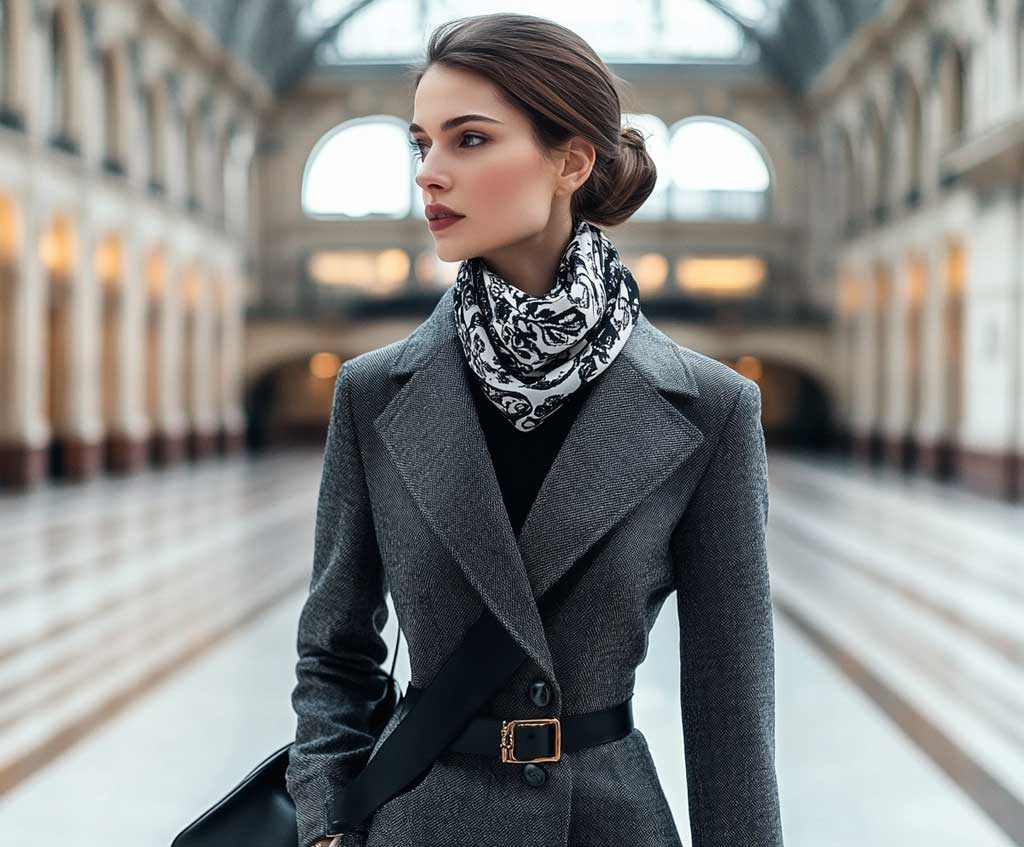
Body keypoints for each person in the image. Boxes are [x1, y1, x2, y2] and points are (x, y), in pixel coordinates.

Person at [287, 12, 783, 847]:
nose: (430, 175)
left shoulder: (710, 408)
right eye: (422, 145)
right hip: (420, 822)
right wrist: (327, 826)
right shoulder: (375, 393)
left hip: (607, 823)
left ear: (571, 161)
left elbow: (732, 703)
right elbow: (335, 651)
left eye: (469, 140)